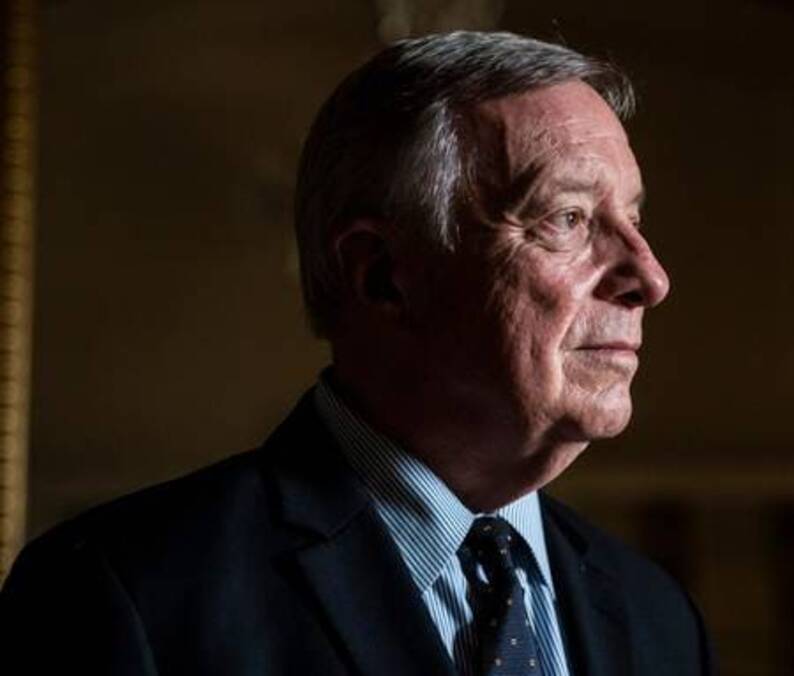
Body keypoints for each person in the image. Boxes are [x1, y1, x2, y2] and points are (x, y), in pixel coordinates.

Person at [0, 31, 714, 675]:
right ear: (382, 276)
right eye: (568, 218)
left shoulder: (659, 617)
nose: (649, 278)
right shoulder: (126, 595)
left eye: (633, 218)